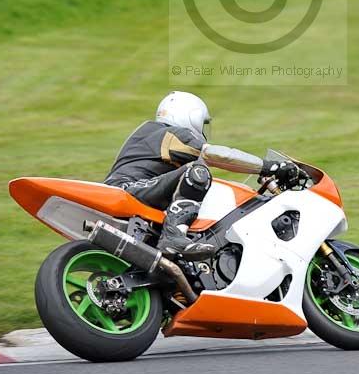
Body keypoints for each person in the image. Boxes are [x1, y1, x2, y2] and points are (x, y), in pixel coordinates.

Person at [104, 91, 300, 261]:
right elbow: (218, 155)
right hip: (128, 189)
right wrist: (269, 167)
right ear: (192, 117)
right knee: (197, 172)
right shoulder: (171, 134)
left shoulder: (152, 135)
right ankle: (173, 236)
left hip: (129, 189)